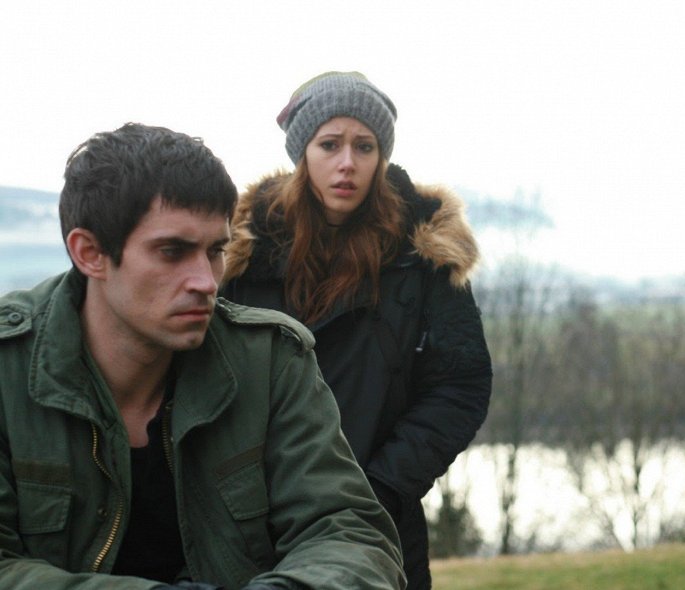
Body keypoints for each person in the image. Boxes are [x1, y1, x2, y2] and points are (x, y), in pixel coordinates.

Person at [0, 123, 406, 589]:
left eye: (215, 250)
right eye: (172, 251)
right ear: (89, 253)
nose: (206, 281)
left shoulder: (269, 361)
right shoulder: (9, 366)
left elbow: (348, 533)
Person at [221, 72, 492, 590]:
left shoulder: (422, 254)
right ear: (303, 153)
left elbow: (461, 385)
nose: (347, 162)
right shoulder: (241, 254)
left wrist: (380, 489)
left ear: (380, 156)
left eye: (364, 146)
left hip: (379, 525)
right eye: (330, 144)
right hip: (256, 531)